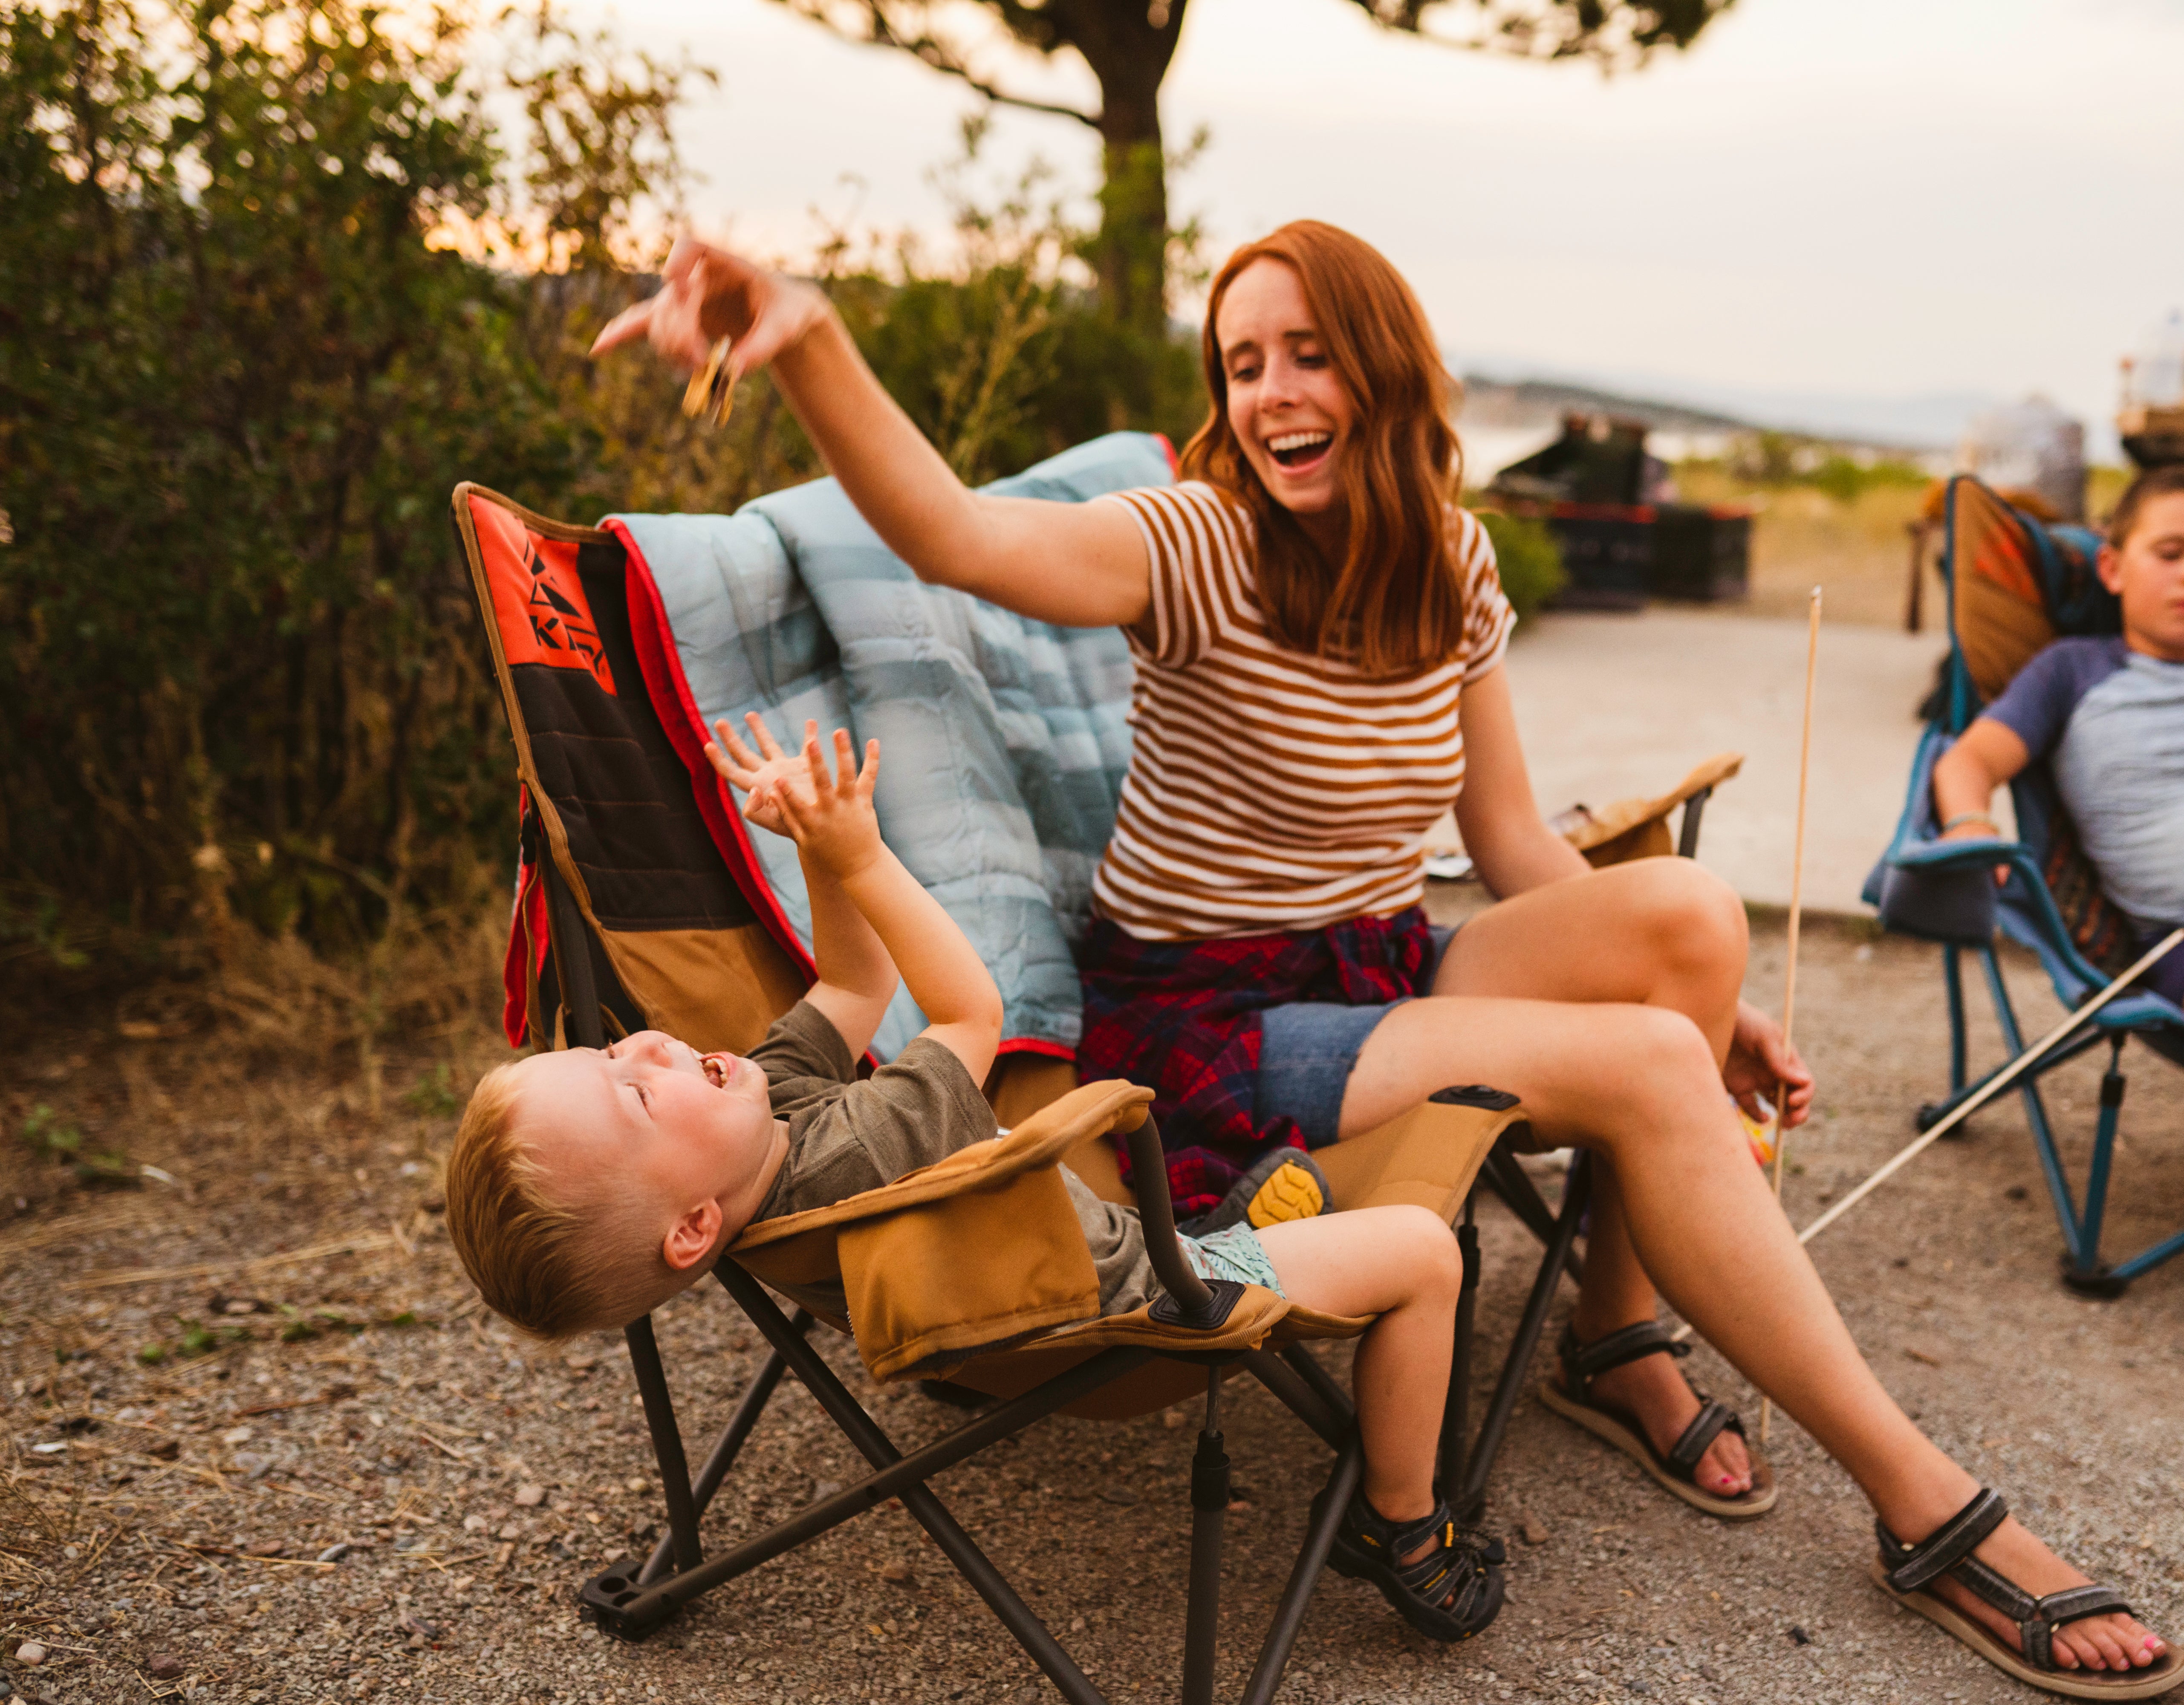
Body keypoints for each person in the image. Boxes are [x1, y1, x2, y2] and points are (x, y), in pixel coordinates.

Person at [588, 224, 2176, 1693]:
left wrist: (1719, 1001)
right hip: (1208, 1016)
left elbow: (1509, 844)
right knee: (1637, 1056)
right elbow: (948, 532)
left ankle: (1610, 1330)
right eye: (1239, 362)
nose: (1270, 391)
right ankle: (1916, 1496)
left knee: (1685, 920)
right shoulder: (1188, 544)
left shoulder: (1451, 566)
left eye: (1305, 352)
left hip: (1376, 960)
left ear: (1384, 366)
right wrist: (802, 338)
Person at [445, 716, 1505, 1643]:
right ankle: (1401, 1521)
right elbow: (968, 1015)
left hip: (1010, 1293)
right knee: (1420, 1248)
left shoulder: (767, 1123)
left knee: (1281, 1189)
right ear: (691, 1228)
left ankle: (1246, 1214)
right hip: (1137, 1295)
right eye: (630, 1095)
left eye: (605, 1052)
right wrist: (861, 855)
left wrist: (814, 847)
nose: (646, 1050)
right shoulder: (862, 1152)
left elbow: (855, 981)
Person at [1933, 465, 2184, 1003]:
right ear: (2112, 569)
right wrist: (1970, 823)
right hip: (2173, 942)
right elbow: (1968, 760)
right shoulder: (2071, 671)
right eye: (2170, 554)